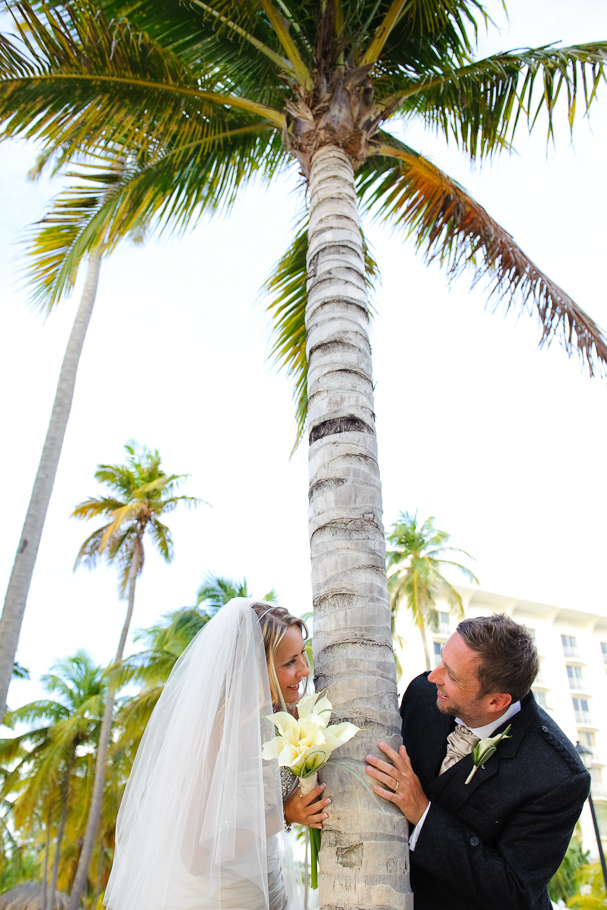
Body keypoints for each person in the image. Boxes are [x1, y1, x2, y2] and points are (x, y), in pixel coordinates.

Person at [104, 598, 330, 910]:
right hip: (218, 898)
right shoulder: (212, 733)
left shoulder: (287, 718)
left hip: (270, 887)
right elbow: (195, 856)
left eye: (302, 654)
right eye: (289, 662)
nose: (305, 670)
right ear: (256, 668)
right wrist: (286, 815)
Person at [366, 613, 590, 910]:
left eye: (452, 675)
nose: (434, 676)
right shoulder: (423, 693)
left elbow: (512, 891)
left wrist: (423, 814)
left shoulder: (559, 776)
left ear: (496, 702)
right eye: (442, 659)